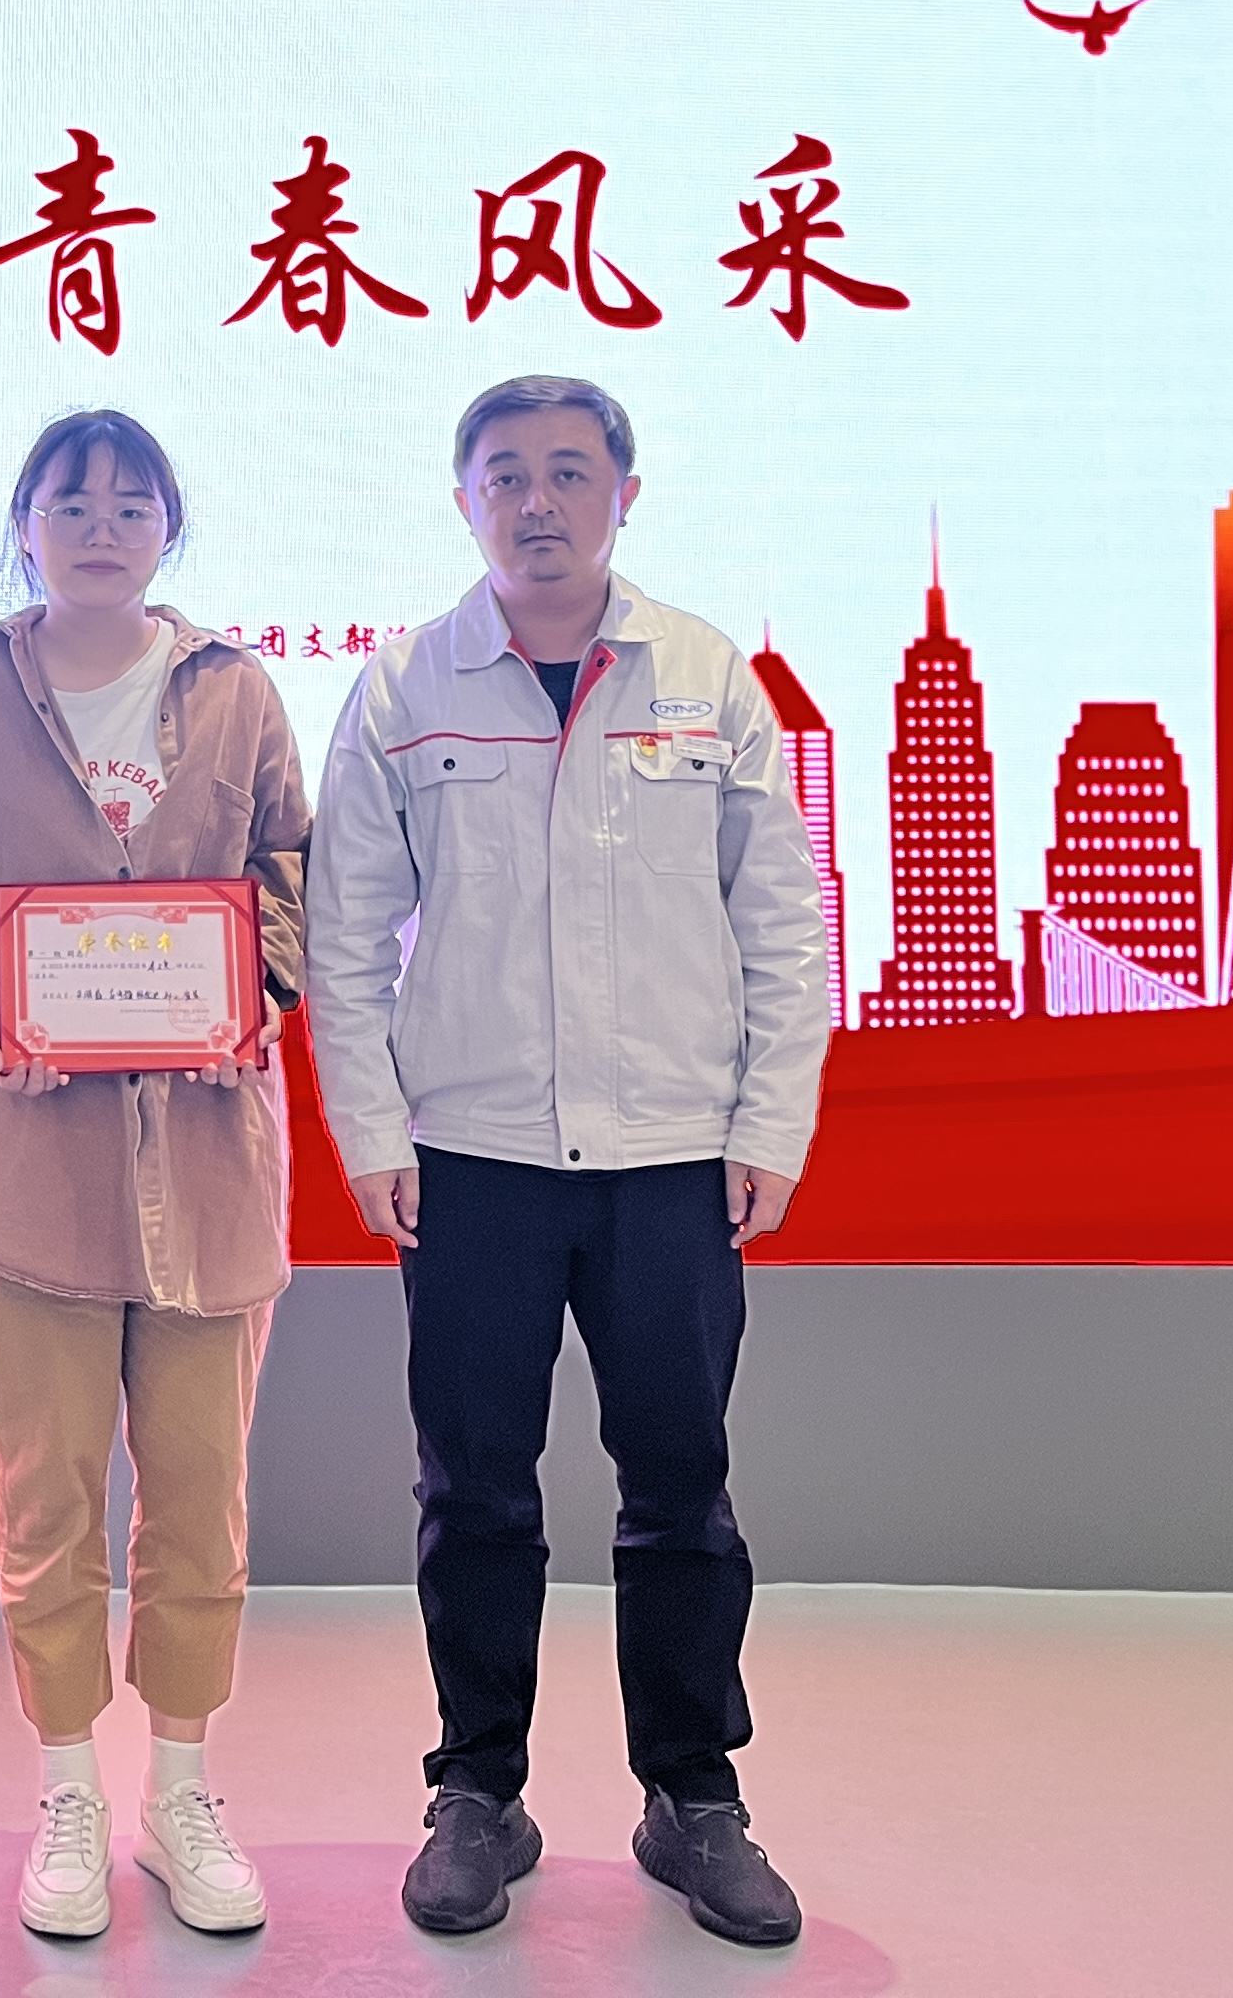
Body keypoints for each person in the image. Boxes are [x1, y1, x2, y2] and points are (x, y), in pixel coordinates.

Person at [305, 375, 829, 1949]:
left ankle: (694, 1797)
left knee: (681, 1486)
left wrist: (772, 1123)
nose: (538, 502)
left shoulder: (707, 677)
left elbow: (782, 920)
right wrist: (371, 1131)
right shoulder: (405, 687)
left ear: (624, 493)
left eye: (569, 473)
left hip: (671, 1154)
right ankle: (478, 1791)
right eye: (507, 476)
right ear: (465, 499)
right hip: (473, 1157)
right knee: (475, 1490)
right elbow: (344, 936)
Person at [0, 410, 311, 1942]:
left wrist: (259, 987)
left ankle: (182, 1792)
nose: (103, 525)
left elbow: (290, 872)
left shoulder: (235, 690)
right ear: (28, 525)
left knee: (200, 1499)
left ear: (168, 528)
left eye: (133, 503)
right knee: (46, 1497)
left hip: (208, 1160)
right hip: (28, 1162)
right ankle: (68, 1793)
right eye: (73, 501)